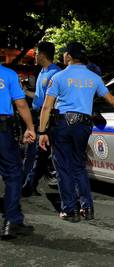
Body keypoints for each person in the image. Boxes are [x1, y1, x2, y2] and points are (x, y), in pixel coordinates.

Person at [38, 42, 114, 222]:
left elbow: (46, 107)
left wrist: (41, 131)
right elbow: (111, 99)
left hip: (63, 124)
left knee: (63, 168)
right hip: (84, 125)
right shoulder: (94, 78)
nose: (63, 56)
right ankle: (87, 207)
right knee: (79, 167)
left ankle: (70, 210)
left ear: (69, 56)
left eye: (65, 53)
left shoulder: (59, 77)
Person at [0, 63, 36, 239]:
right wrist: (30, 127)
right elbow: (21, 105)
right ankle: (11, 221)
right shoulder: (8, 74)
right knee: (13, 174)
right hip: (2, 130)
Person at [22, 42, 61, 197]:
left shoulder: (55, 73)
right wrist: (24, 91)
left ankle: (28, 185)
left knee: (40, 153)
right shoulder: (42, 72)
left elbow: (52, 100)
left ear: (43, 55)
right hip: (37, 115)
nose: (34, 56)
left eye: (36, 53)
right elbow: (39, 97)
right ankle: (29, 183)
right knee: (34, 152)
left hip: (48, 118)